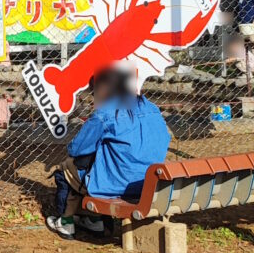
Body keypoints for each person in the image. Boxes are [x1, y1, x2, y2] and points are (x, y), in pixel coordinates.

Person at [46, 67, 171, 239]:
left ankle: (65, 221)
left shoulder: (106, 113)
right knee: (98, 163)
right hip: (148, 184)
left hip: (115, 185)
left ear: (104, 89)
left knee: (67, 168)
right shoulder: (152, 108)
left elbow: (77, 149)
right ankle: (94, 220)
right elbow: (165, 140)